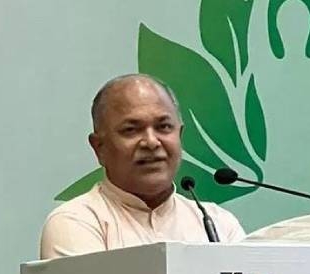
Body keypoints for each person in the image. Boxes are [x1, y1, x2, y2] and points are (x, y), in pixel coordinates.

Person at [40, 74, 246, 259]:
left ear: (180, 135)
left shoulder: (219, 224)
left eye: (163, 127)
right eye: (131, 130)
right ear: (99, 147)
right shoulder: (77, 221)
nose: (151, 142)